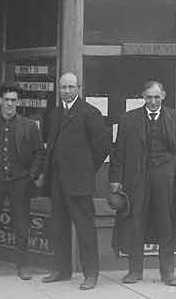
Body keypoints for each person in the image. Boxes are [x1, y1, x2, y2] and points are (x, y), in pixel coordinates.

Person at [109, 80, 176, 287]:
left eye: (157, 97)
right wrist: (115, 179)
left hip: (166, 181)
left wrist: (172, 168)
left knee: (165, 224)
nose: (153, 101)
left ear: (163, 96)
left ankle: (167, 272)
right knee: (135, 224)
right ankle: (134, 271)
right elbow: (118, 152)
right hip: (136, 180)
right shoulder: (128, 120)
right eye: (149, 97)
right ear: (143, 97)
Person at [42, 72, 111, 291]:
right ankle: (61, 270)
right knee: (59, 228)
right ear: (58, 89)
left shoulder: (90, 113)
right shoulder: (53, 114)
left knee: (85, 230)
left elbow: (102, 147)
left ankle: (91, 274)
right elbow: (50, 144)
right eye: (63, 87)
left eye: (71, 87)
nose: (67, 91)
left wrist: (87, 171)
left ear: (79, 88)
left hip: (80, 183)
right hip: (58, 182)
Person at [0, 84, 45, 281]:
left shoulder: (29, 126)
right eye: (7, 100)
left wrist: (31, 175)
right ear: (0, 101)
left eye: (14, 100)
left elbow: (39, 154)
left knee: (21, 224)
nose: (10, 104)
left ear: (18, 102)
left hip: (20, 181)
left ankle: (23, 265)